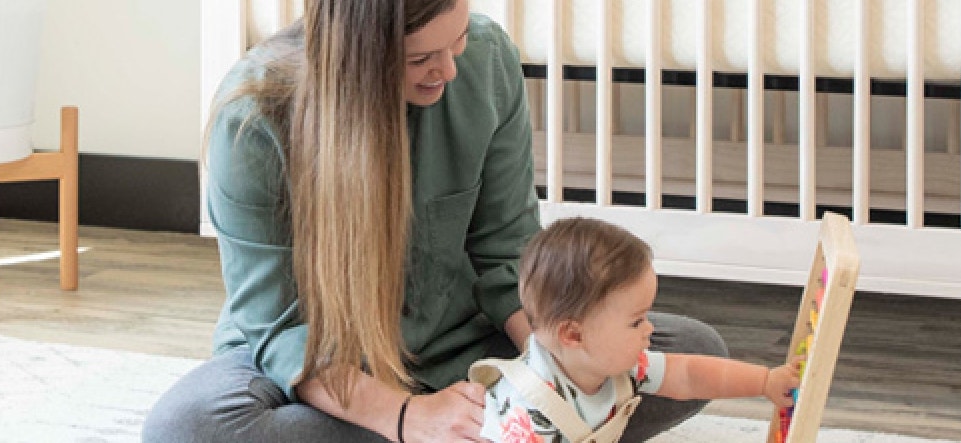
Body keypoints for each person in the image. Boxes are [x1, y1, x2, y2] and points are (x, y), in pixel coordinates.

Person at [142, 1, 727, 442]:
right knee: (186, 427)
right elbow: (279, 330)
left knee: (689, 348)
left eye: (459, 40)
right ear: (357, 62)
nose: (447, 70)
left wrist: (552, 370)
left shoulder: (487, 62)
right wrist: (406, 417)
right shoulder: (253, 120)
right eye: (421, 58)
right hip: (324, 373)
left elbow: (508, 255)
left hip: (468, 349)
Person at [472, 217, 802, 442]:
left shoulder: (614, 361)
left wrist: (765, 382)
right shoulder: (524, 418)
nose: (650, 329)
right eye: (636, 321)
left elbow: (687, 374)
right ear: (574, 335)